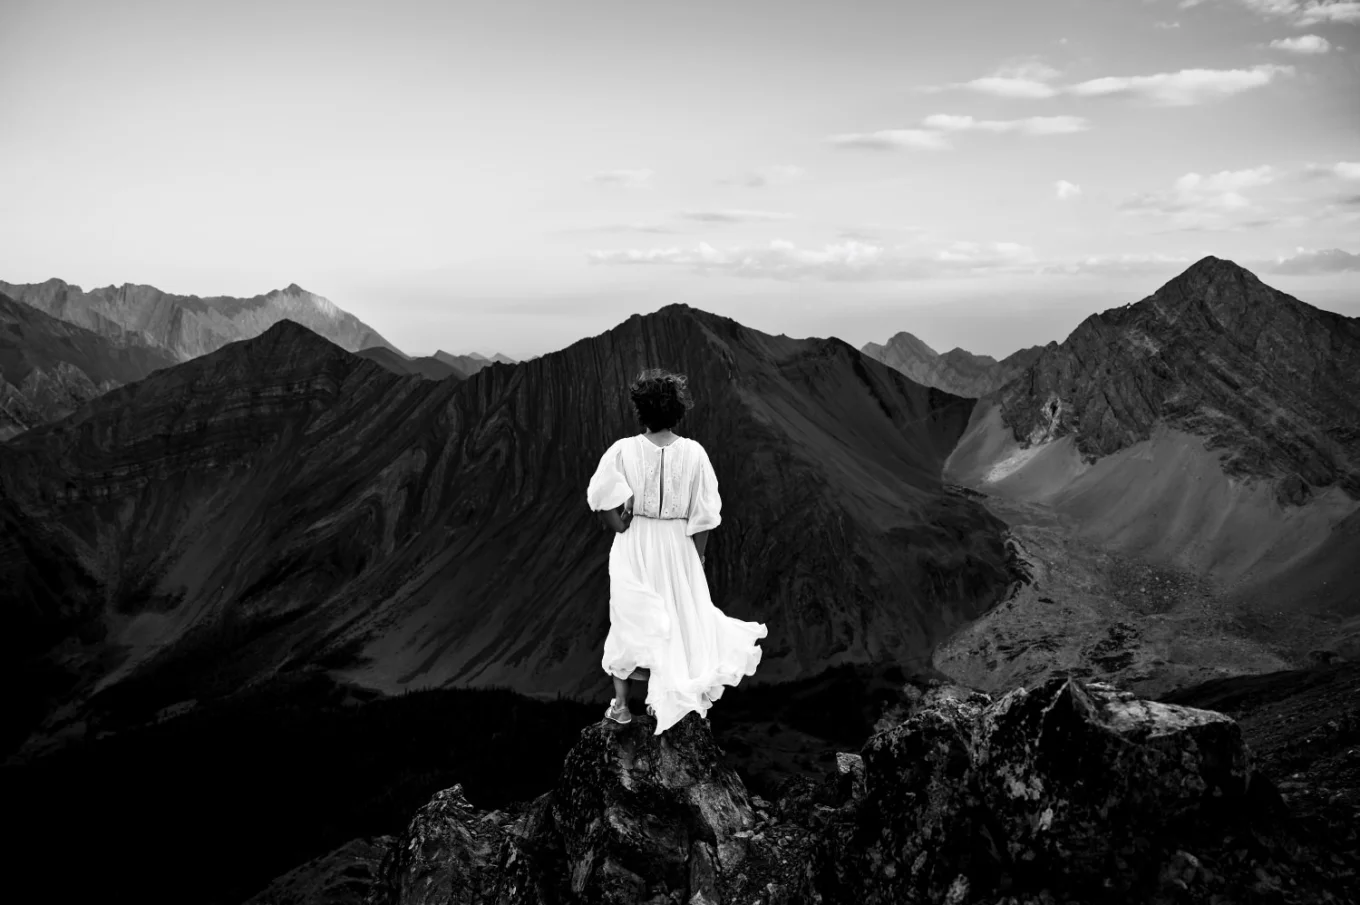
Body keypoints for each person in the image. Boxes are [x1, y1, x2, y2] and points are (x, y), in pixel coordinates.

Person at [586, 368, 768, 735]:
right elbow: (705, 514)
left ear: (641, 410)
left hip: (636, 541)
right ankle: (673, 696)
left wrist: (620, 525)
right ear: (678, 411)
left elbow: (600, 496)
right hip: (679, 544)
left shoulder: (623, 451)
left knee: (630, 615)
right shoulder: (695, 454)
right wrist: (696, 558)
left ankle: (621, 705)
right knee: (681, 616)